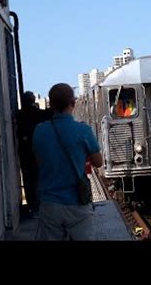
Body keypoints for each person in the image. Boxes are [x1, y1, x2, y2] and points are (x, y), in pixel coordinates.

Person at [33, 83, 103, 240]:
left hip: (49, 202)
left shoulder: (39, 131)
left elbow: (39, 161)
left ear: (51, 105)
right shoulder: (83, 130)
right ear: (73, 103)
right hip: (77, 202)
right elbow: (98, 162)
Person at [17, 91, 45, 218]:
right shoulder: (37, 114)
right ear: (33, 101)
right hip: (37, 152)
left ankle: (31, 206)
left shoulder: (19, 114)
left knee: (27, 180)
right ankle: (37, 206)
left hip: (23, 152)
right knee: (37, 179)